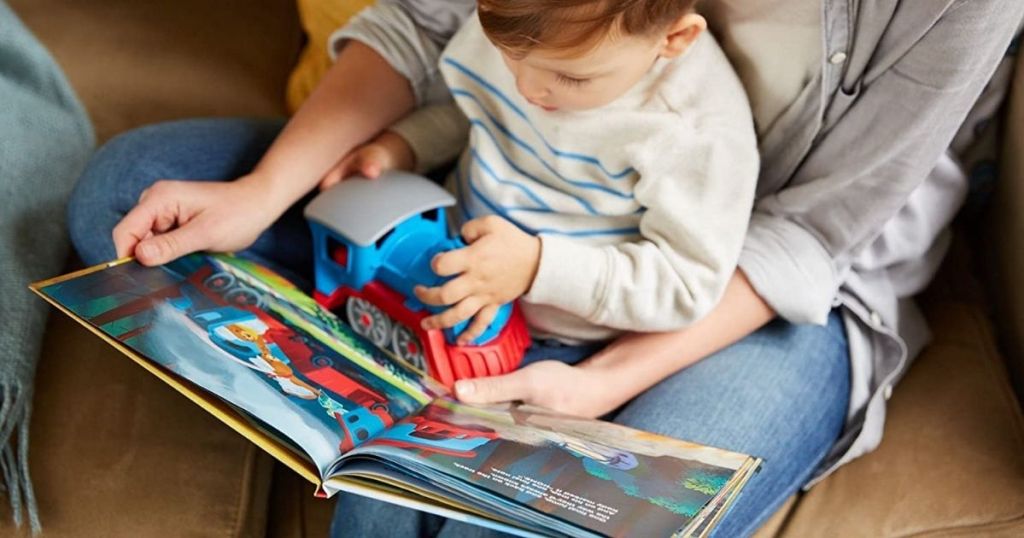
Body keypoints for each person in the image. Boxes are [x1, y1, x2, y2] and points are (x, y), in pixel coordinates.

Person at [65, 0, 1024, 536]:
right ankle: (382, 409)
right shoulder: (521, 63)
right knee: (127, 203)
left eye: (567, 77)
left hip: (741, 290)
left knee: (542, 527)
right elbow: (454, 60)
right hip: (492, 219)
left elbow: (809, 234)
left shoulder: (703, 120)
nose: (539, 86)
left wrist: (590, 383)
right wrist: (278, 188)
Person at [327, 0, 759, 350]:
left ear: (674, 38)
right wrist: (405, 146)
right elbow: (476, 112)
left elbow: (685, 285)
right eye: (510, 58)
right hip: (437, 266)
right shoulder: (520, 19)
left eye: (571, 77)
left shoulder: (695, 134)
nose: (528, 90)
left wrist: (537, 267)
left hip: (559, 338)